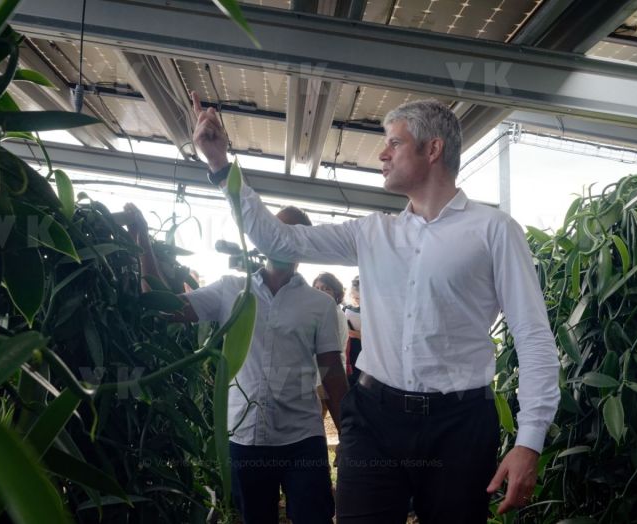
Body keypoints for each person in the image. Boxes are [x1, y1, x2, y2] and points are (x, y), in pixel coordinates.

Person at [191, 92, 560, 523]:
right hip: (374, 420)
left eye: (394, 143)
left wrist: (529, 439)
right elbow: (279, 240)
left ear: (433, 148)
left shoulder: (494, 231)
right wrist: (219, 164)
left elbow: (533, 334)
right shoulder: (372, 234)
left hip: (458, 426)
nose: (382, 154)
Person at [123, 202, 348, 524]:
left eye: (291, 233)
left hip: (302, 439)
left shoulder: (320, 305)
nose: (280, 238)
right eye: (274, 229)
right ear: (260, 237)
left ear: (304, 242)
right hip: (245, 435)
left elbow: (333, 372)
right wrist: (141, 241)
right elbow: (165, 307)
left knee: (314, 516)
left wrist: (349, 437)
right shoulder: (231, 290)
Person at [312, 272, 349, 417]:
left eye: (326, 288)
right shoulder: (321, 313)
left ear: (336, 292)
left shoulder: (333, 313)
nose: (320, 292)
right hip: (315, 374)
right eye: (317, 288)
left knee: (317, 418)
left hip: (326, 374)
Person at [343, 276, 362, 387]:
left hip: (363, 350)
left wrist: (350, 332)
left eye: (358, 298)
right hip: (349, 351)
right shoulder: (346, 308)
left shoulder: (374, 311)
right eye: (354, 297)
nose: (355, 300)